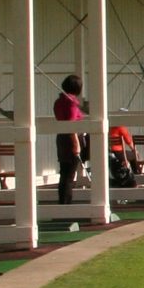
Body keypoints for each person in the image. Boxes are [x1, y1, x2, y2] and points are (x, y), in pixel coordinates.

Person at [52, 74, 89, 204]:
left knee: (65, 173)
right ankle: (66, 204)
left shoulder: (58, 101)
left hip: (61, 138)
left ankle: (63, 202)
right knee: (69, 175)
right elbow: (71, 124)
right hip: (72, 138)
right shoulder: (71, 103)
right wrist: (76, 145)